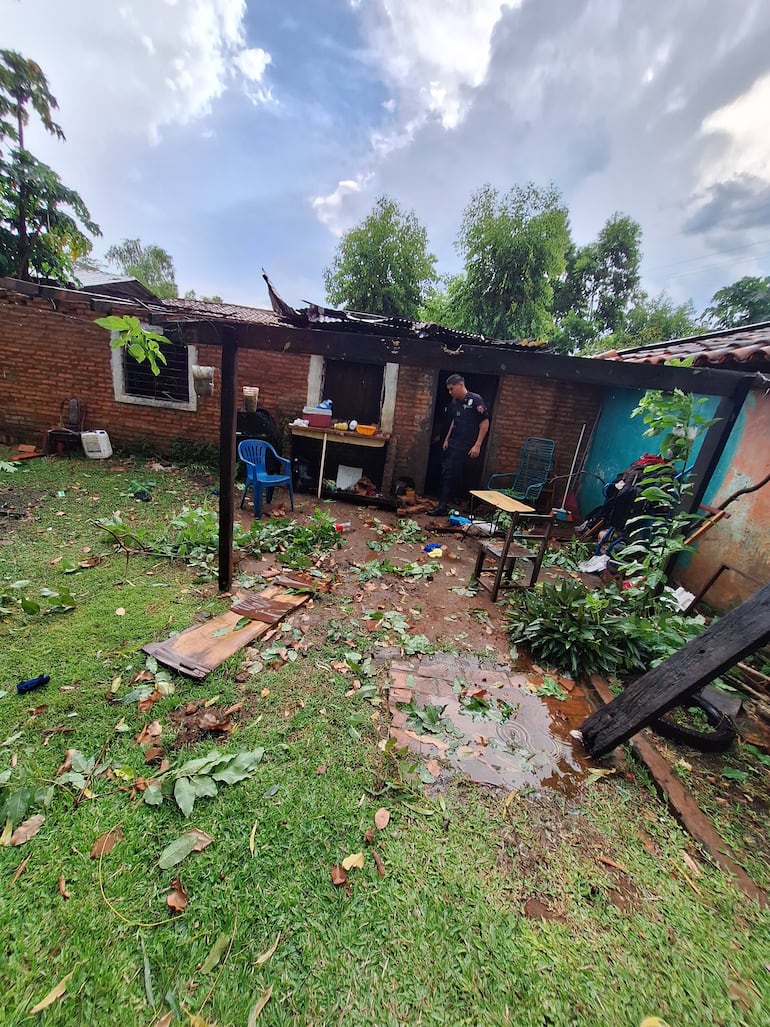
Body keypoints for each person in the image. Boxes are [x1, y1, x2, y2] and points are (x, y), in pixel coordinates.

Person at [429, 374, 490, 516]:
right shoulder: (455, 402)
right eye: (448, 389)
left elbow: (484, 423)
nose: (450, 392)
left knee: (469, 477)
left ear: (461, 385)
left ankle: (472, 507)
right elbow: (454, 421)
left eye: (452, 388)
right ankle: (442, 506)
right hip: (455, 444)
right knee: (448, 474)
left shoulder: (475, 400)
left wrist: (477, 445)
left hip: (469, 446)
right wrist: (447, 439)